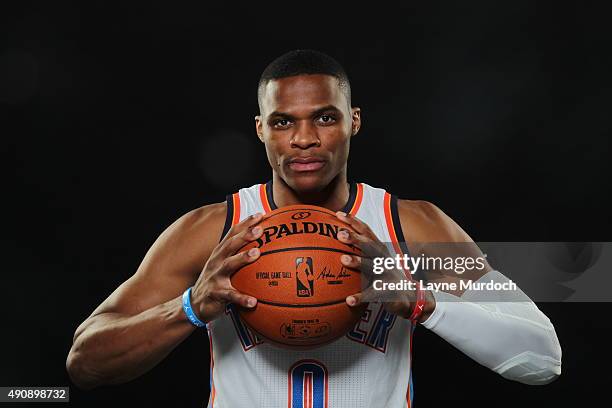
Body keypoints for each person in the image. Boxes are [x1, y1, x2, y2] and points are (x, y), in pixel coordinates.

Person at [66, 49, 562, 407]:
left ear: (355, 121)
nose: (304, 139)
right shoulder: (211, 231)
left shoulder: (411, 227)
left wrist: (419, 300)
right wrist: (191, 307)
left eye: (325, 118)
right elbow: (84, 363)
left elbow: (543, 359)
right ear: (260, 128)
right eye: (283, 122)